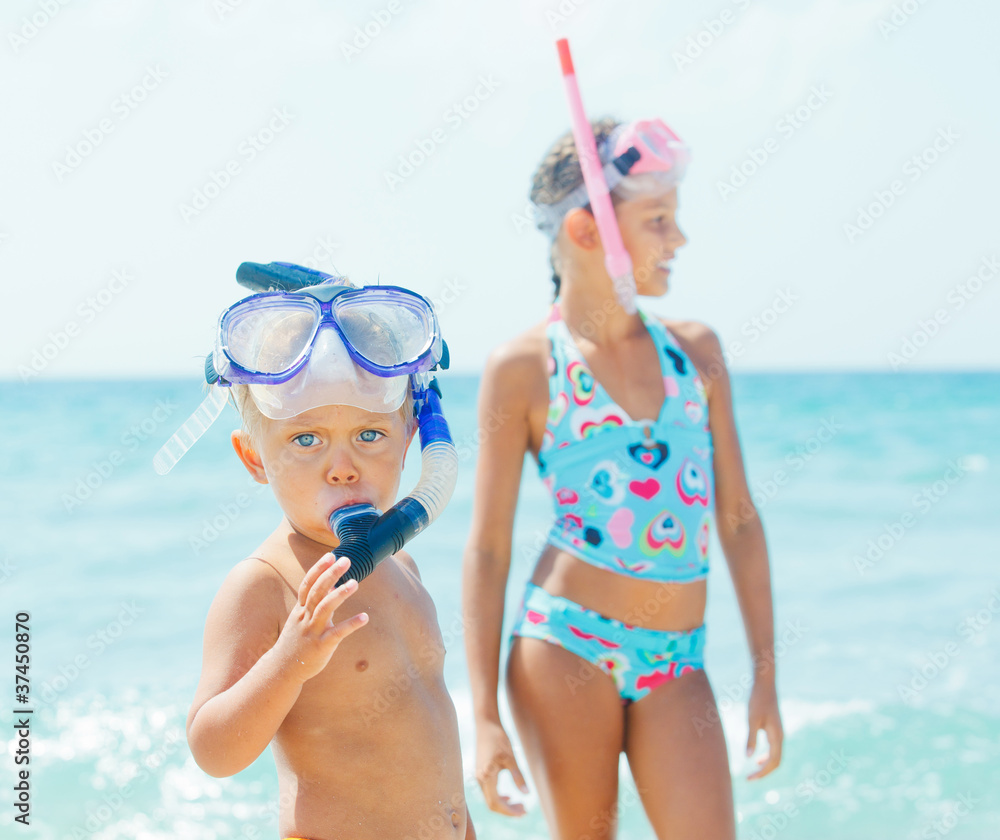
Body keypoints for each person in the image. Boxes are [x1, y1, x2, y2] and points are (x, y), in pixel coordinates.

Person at [462, 118, 783, 840]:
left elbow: (738, 518)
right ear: (586, 231)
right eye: (658, 220)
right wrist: (482, 714)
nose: (680, 239)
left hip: (679, 658)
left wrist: (765, 672)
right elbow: (487, 547)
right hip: (565, 642)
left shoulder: (695, 353)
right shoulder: (524, 367)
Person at [167, 262, 475, 840]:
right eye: (306, 440)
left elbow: (431, 737)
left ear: (411, 440)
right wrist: (292, 659)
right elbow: (213, 750)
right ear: (255, 457)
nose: (342, 467)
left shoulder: (400, 563)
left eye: (370, 435)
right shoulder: (266, 583)